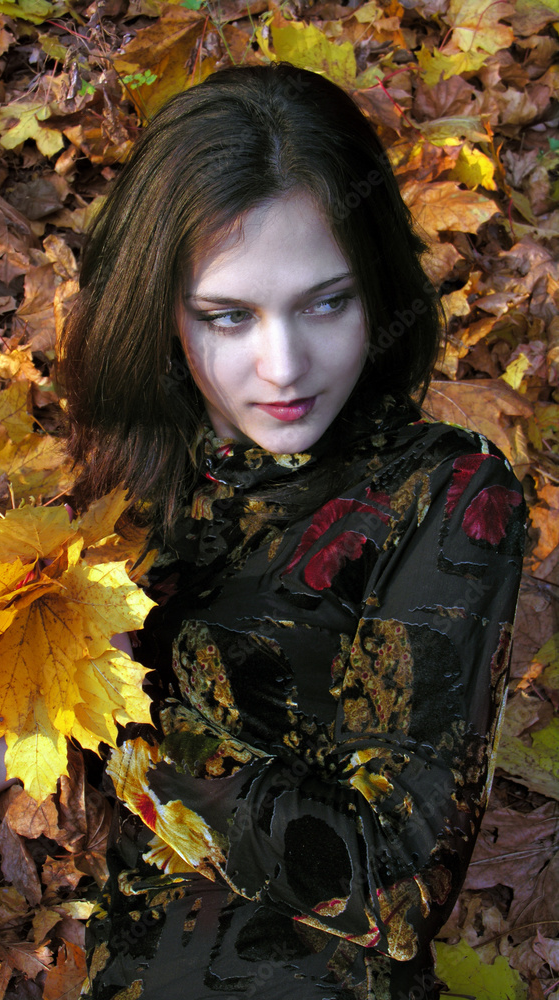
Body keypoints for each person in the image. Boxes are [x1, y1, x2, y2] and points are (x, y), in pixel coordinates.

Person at [55, 63, 525, 1000]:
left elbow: (390, 881)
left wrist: (113, 728)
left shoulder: (447, 491)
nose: (284, 366)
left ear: (378, 289)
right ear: (163, 315)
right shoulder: (135, 484)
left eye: (326, 302)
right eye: (229, 316)